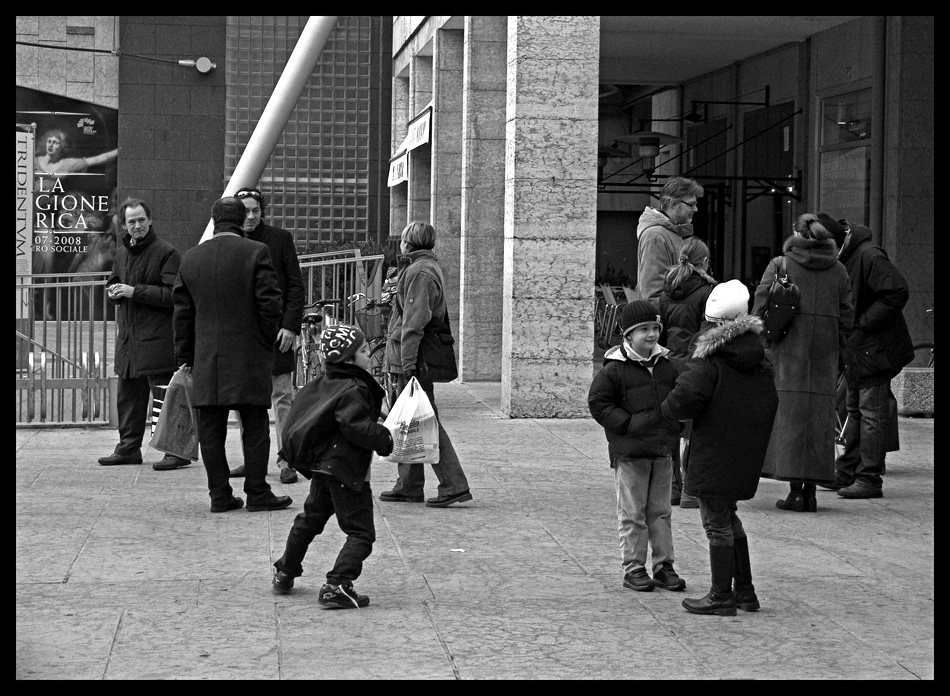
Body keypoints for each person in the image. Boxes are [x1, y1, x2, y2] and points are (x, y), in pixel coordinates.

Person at [661, 279, 779, 616]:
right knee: (729, 517)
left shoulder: (710, 359)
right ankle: (745, 591)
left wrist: (663, 411)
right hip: (744, 450)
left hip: (713, 450)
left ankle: (720, 596)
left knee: (716, 523)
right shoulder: (759, 357)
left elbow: (683, 401)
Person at [172, 196, 292, 513]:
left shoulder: (191, 259)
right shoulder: (256, 252)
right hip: (250, 356)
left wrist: (186, 356)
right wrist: (264, 340)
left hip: (207, 359)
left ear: (214, 221)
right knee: (254, 426)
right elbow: (271, 305)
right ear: (240, 222)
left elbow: (182, 316)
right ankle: (257, 492)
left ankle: (220, 495)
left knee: (211, 430)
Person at [272, 325, 394, 608]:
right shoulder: (355, 387)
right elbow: (354, 426)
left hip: (323, 469)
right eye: (364, 352)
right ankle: (337, 583)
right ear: (350, 359)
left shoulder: (327, 380)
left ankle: (285, 570)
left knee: (309, 521)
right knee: (362, 533)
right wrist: (384, 437)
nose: (369, 356)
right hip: (346, 471)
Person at [752, 214, 853, 512]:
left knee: (791, 419)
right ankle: (811, 492)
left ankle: (796, 491)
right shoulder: (839, 270)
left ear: (796, 234)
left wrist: (764, 343)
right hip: (825, 356)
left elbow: (760, 307)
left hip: (787, 353)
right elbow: (847, 315)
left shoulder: (781, 265)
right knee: (820, 419)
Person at [588, 300, 685, 593]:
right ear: (628, 334)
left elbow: (682, 397)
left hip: (662, 450)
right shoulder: (614, 369)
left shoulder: (668, 366)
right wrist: (627, 425)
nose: (652, 334)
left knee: (661, 511)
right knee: (632, 513)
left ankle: (664, 566)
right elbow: (599, 403)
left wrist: (675, 427)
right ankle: (634, 567)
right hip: (630, 453)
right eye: (644, 329)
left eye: (655, 328)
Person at [816, 212, 914, 499]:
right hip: (860, 345)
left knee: (870, 412)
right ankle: (847, 471)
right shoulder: (849, 256)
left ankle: (869, 477)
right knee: (857, 410)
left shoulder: (869, 255)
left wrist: (863, 324)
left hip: (873, 346)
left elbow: (897, 292)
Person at [378, 221, 473, 508]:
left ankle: (453, 484)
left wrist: (407, 364)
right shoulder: (423, 267)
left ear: (409, 243)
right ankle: (409, 484)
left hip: (413, 359)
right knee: (410, 420)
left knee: (424, 420)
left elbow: (414, 322)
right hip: (410, 358)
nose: (400, 245)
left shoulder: (419, 272)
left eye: (404, 240)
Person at [98, 197, 191, 471]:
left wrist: (133, 291)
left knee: (163, 397)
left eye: (141, 220)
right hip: (129, 339)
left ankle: (174, 451)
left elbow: (174, 294)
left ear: (150, 220)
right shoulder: (122, 252)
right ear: (124, 225)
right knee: (129, 397)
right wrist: (115, 290)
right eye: (131, 222)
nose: (137, 226)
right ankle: (128, 448)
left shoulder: (167, 252)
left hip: (158, 340)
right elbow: (116, 279)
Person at [227, 187, 305, 485]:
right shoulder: (229, 241)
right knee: (244, 401)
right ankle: (252, 459)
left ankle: (287, 460)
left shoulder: (280, 239)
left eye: (255, 210)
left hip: (277, 335)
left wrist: (290, 326)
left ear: (262, 211)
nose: (250, 216)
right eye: (244, 211)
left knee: (283, 398)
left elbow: (295, 287)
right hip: (242, 338)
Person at [658, 236, 717, 509]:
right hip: (695, 366)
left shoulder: (666, 291)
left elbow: (661, 333)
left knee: (671, 424)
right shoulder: (708, 293)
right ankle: (691, 489)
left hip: (669, 364)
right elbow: (707, 336)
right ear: (704, 262)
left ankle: (671, 486)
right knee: (696, 427)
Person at [636, 176, 704, 305]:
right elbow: (652, 295)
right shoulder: (656, 236)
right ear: (673, 204)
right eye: (691, 204)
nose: (695, 209)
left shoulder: (668, 233)